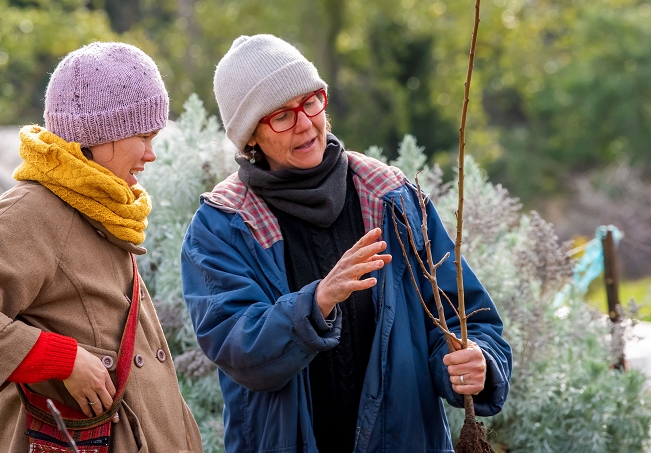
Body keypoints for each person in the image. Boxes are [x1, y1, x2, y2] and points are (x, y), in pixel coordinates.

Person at [181, 34, 512, 453]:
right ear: (250, 138)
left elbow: (467, 316)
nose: (304, 123)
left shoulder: (393, 198)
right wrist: (316, 302)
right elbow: (237, 348)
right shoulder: (223, 225)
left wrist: (476, 361)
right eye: (281, 115)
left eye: (310, 101)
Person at [0, 42, 203, 453]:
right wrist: (61, 360)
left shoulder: (99, 204)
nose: (151, 155)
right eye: (144, 136)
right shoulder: (33, 209)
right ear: (100, 135)